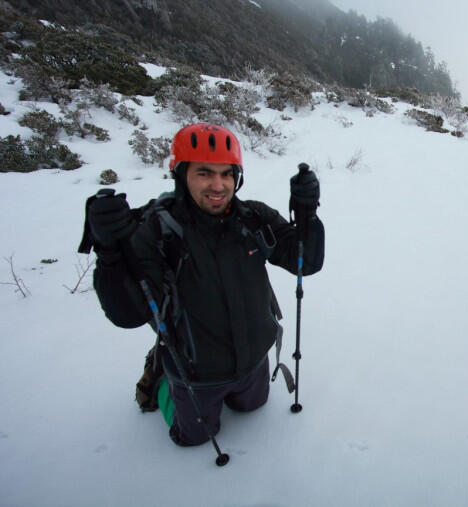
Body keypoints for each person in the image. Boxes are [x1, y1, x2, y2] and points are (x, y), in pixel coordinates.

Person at [84, 123, 324, 446]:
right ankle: (161, 379)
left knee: (253, 407)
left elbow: (305, 261)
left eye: (227, 174)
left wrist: (307, 216)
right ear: (181, 175)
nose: (218, 185)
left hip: (253, 361)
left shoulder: (252, 218)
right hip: (195, 375)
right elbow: (128, 314)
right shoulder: (157, 230)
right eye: (205, 173)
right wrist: (112, 254)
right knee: (194, 437)